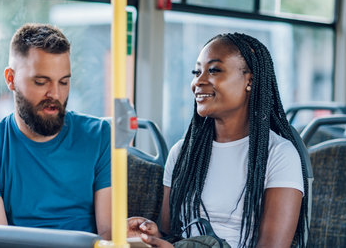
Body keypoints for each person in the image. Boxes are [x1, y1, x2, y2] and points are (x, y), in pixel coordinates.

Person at [128, 33, 309, 247]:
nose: (199, 81)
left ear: (249, 81)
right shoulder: (182, 153)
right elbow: (171, 235)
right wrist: (152, 235)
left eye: (213, 70)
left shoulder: (279, 155)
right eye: (197, 72)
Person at [0, 23, 111, 240]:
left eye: (64, 82)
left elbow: (109, 234)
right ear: (11, 79)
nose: (55, 94)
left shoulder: (100, 136)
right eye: (41, 82)